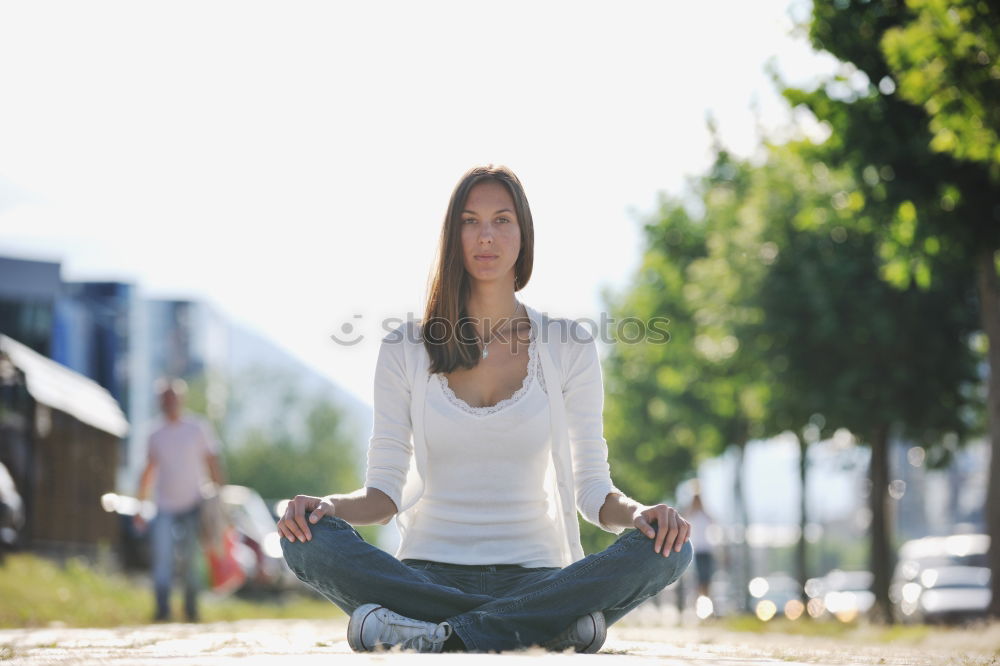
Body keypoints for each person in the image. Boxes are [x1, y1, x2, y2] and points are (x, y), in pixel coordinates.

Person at [278, 164, 693, 654]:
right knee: (305, 536)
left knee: (672, 547)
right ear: (452, 235)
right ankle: (543, 629)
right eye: (470, 221)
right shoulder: (405, 348)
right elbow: (384, 494)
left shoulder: (568, 346)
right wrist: (327, 507)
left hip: (538, 580)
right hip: (426, 577)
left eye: (502, 220)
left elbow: (594, 492)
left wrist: (644, 514)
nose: (486, 236)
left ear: (524, 235)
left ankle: (434, 633)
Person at [135, 377, 225, 622]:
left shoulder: (197, 428)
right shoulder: (155, 433)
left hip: (193, 504)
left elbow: (212, 461)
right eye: (165, 399)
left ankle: (191, 610)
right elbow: (149, 469)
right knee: (162, 559)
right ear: (160, 403)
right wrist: (140, 505)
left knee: (191, 560)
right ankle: (162, 610)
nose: (170, 403)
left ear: (181, 400)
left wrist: (220, 497)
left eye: (173, 398)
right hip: (164, 506)